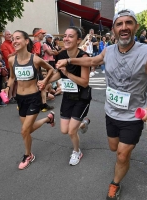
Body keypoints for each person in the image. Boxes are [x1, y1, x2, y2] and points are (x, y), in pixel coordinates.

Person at [56, 9, 147, 199]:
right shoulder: (109, 50)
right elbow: (91, 60)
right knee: (114, 148)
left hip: (133, 116)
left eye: (128, 23)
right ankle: (124, 150)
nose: (124, 27)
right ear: (113, 29)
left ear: (136, 27)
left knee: (122, 154)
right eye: (119, 24)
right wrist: (68, 59)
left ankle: (115, 183)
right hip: (111, 113)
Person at [3, 30, 55, 170]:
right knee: (28, 130)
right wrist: (7, 87)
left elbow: (51, 69)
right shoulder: (11, 60)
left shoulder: (35, 59)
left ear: (26, 41)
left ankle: (28, 155)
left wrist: (44, 81)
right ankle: (48, 119)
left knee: (24, 130)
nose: (14, 41)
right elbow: (12, 77)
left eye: (18, 38)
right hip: (21, 98)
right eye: (13, 39)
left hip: (34, 98)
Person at [44, 26, 91, 166]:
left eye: (71, 36)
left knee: (71, 131)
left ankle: (77, 152)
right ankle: (83, 123)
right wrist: (46, 82)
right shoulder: (62, 54)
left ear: (78, 40)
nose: (66, 38)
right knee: (64, 130)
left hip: (82, 98)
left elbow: (84, 82)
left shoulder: (84, 57)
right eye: (65, 35)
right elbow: (59, 73)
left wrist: (68, 73)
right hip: (68, 96)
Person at [32, 28, 54, 112]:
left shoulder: (32, 43)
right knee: (42, 86)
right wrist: (44, 62)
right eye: (42, 33)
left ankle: (40, 104)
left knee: (37, 86)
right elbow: (35, 57)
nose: (43, 35)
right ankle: (43, 105)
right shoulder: (37, 43)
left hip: (33, 68)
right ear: (37, 34)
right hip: (36, 69)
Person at [0, 30, 17, 103]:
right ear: (4, 36)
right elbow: (7, 56)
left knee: (16, 82)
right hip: (10, 65)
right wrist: (16, 52)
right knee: (12, 82)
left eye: (10, 34)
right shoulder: (4, 45)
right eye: (7, 34)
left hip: (16, 64)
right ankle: (10, 97)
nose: (9, 35)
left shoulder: (12, 43)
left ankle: (15, 95)